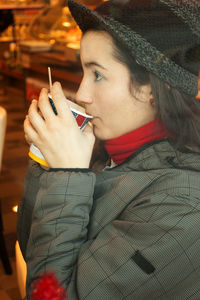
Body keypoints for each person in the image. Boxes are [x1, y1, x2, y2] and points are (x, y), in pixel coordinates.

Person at [18, 0, 200, 299]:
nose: (82, 93)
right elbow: (34, 250)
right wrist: (46, 157)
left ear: (151, 88)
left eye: (98, 75)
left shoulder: (184, 207)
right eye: (83, 72)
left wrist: (66, 173)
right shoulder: (103, 148)